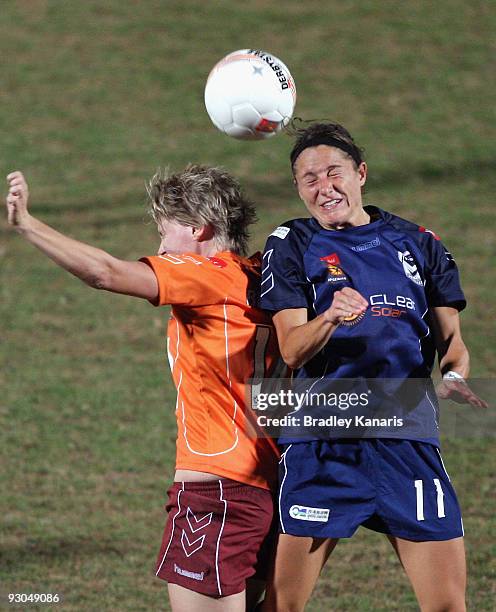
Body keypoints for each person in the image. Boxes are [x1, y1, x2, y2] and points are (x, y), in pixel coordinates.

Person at [5, 167, 282, 612]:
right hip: (270, 490)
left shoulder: (207, 275)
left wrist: (27, 224)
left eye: (165, 232)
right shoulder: (267, 279)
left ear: (197, 228)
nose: (158, 248)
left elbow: (105, 272)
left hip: (217, 494)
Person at [258, 122, 487, 612]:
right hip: (323, 444)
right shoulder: (292, 243)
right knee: (282, 605)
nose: (324, 188)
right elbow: (293, 349)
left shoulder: (419, 243)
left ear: (360, 173)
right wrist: (331, 318)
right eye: (309, 179)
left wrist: (453, 376)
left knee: (448, 606)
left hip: (407, 441)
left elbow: (454, 346)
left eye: (334, 173)